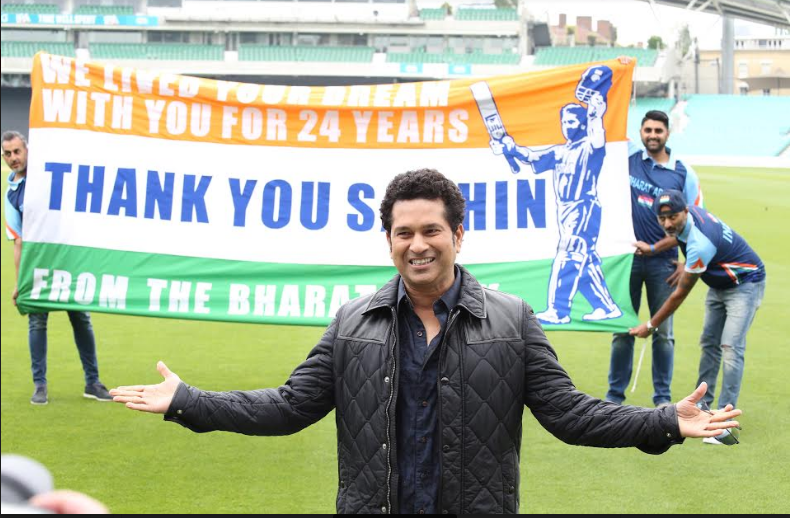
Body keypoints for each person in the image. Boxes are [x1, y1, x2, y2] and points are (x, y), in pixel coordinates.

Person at [112, 169, 741, 514]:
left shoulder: (513, 320)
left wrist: (663, 422)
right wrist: (187, 401)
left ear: (458, 235)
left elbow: (570, 416)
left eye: (432, 229)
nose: (418, 243)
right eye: (403, 231)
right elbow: (287, 408)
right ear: (388, 240)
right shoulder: (352, 322)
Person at [630, 189, 764, 442]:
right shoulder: (690, 221)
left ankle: (723, 421)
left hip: (746, 282)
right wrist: (654, 248)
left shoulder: (701, 244)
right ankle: (702, 409)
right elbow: (676, 237)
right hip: (719, 282)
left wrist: (650, 324)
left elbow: (679, 294)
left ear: (686, 212)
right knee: (708, 344)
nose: (668, 223)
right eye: (662, 218)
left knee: (731, 347)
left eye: (673, 217)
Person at [501, 65, 622, 325]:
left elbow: (598, 134)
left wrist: (595, 115)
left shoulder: (591, 147)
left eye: (571, 121)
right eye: (564, 122)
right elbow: (532, 158)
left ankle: (559, 310)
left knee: (569, 253)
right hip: (565, 209)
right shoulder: (561, 151)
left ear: (581, 122)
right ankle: (606, 306)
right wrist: (511, 147)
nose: (567, 126)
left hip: (584, 206)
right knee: (584, 258)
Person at [2, 130, 112, 405]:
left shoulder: (47, 176)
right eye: (8, 154)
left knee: (81, 319)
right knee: (37, 323)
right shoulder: (11, 195)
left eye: (17, 151)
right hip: (38, 268)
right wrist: (20, 283)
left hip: (67, 263)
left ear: (27, 150)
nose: (13, 158)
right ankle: (40, 385)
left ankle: (93, 382)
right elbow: (19, 242)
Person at [606, 110, 704, 408]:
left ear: (667, 134)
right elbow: (605, 120)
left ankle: (662, 398)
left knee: (663, 333)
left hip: (664, 263)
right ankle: (614, 396)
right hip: (626, 260)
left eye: (658, 130)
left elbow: (695, 220)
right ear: (640, 132)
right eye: (647, 130)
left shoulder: (683, 172)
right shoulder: (629, 159)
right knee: (622, 328)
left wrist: (686, 259)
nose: (652, 135)